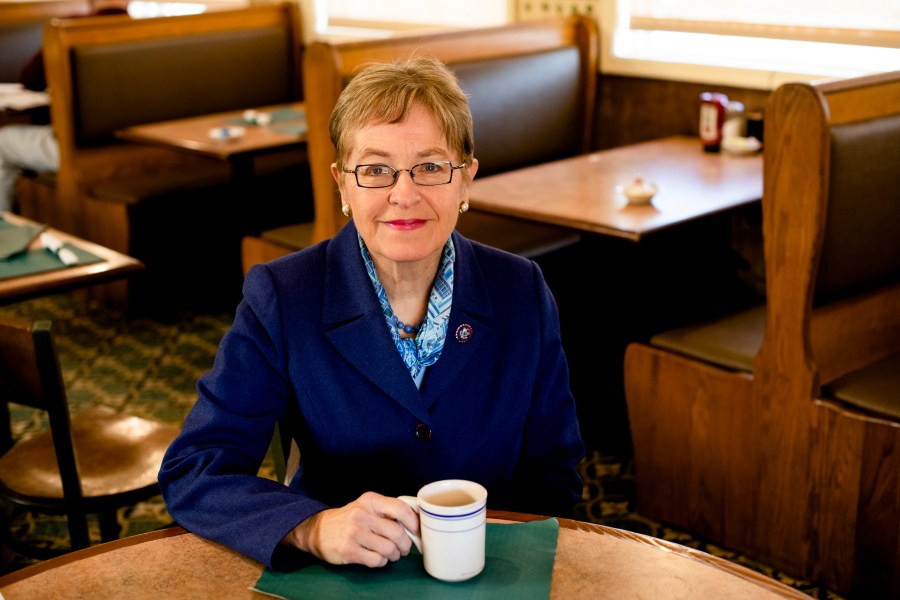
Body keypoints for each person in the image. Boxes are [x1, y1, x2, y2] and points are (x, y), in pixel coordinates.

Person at [158, 54, 585, 571]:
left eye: (430, 167)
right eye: (376, 169)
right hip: (341, 580)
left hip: (487, 572)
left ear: (466, 179)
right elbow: (197, 467)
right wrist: (311, 527)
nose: (403, 194)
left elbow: (556, 470)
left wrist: (492, 549)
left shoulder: (521, 289)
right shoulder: (283, 295)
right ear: (343, 184)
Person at [0, 1, 128, 213]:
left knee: (2, 142)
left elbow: (31, 78)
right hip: (136, 145)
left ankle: (6, 229)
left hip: (82, 151)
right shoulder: (159, 28)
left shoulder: (72, 29)